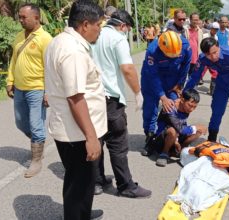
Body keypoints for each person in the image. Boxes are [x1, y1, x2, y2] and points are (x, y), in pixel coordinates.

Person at [44, 1, 106, 219]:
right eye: (98, 25)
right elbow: (76, 97)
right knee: (79, 187)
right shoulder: (73, 52)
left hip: (71, 129)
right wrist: (91, 137)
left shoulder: (60, 41)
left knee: (79, 184)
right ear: (85, 24)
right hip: (77, 133)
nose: (100, 29)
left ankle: (81, 213)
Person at [91, 9, 151, 198]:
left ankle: (96, 181)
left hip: (92, 97)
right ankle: (126, 186)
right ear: (123, 26)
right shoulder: (117, 38)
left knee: (96, 140)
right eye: (127, 29)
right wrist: (138, 93)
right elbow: (127, 68)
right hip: (111, 100)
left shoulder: (93, 35)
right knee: (117, 143)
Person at [185, 37, 229, 162]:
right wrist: (185, 93)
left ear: (218, 46)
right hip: (221, 84)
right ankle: (211, 139)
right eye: (209, 55)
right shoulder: (203, 58)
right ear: (205, 54)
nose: (213, 57)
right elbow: (195, 76)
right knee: (216, 112)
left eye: (215, 52)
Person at [6, 3, 52, 178]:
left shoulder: (45, 38)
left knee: (35, 123)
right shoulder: (19, 36)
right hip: (19, 88)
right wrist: (10, 81)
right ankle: (37, 142)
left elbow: (50, 67)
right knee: (20, 123)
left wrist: (48, 91)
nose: (21, 20)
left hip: (37, 89)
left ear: (37, 18)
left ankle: (36, 160)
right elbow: (14, 61)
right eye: (20, 17)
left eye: (24, 17)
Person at [140, 31, 192, 156]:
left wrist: (179, 84)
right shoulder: (152, 51)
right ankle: (150, 136)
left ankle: (172, 137)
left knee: (174, 107)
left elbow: (186, 65)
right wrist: (162, 97)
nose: (174, 57)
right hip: (151, 79)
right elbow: (153, 76)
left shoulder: (185, 45)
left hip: (172, 79)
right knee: (150, 108)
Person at [152, 89, 207, 167]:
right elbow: (180, 129)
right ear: (182, 100)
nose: (192, 109)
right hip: (162, 138)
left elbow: (181, 125)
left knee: (198, 131)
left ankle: (181, 150)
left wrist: (177, 141)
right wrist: (175, 141)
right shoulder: (170, 107)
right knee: (173, 131)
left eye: (195, 107)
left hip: (176, 134)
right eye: (190, 105)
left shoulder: (185, 107)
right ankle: (164, 153)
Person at [186, 12, 203, 81]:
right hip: (187, 57)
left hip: (196, 58)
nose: (196, 21)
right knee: (184, 75)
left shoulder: (200, 31)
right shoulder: (185, 30)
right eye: (194, 19)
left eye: (197, 20)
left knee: (193, 75)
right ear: (190, 20)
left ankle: (190, 89)